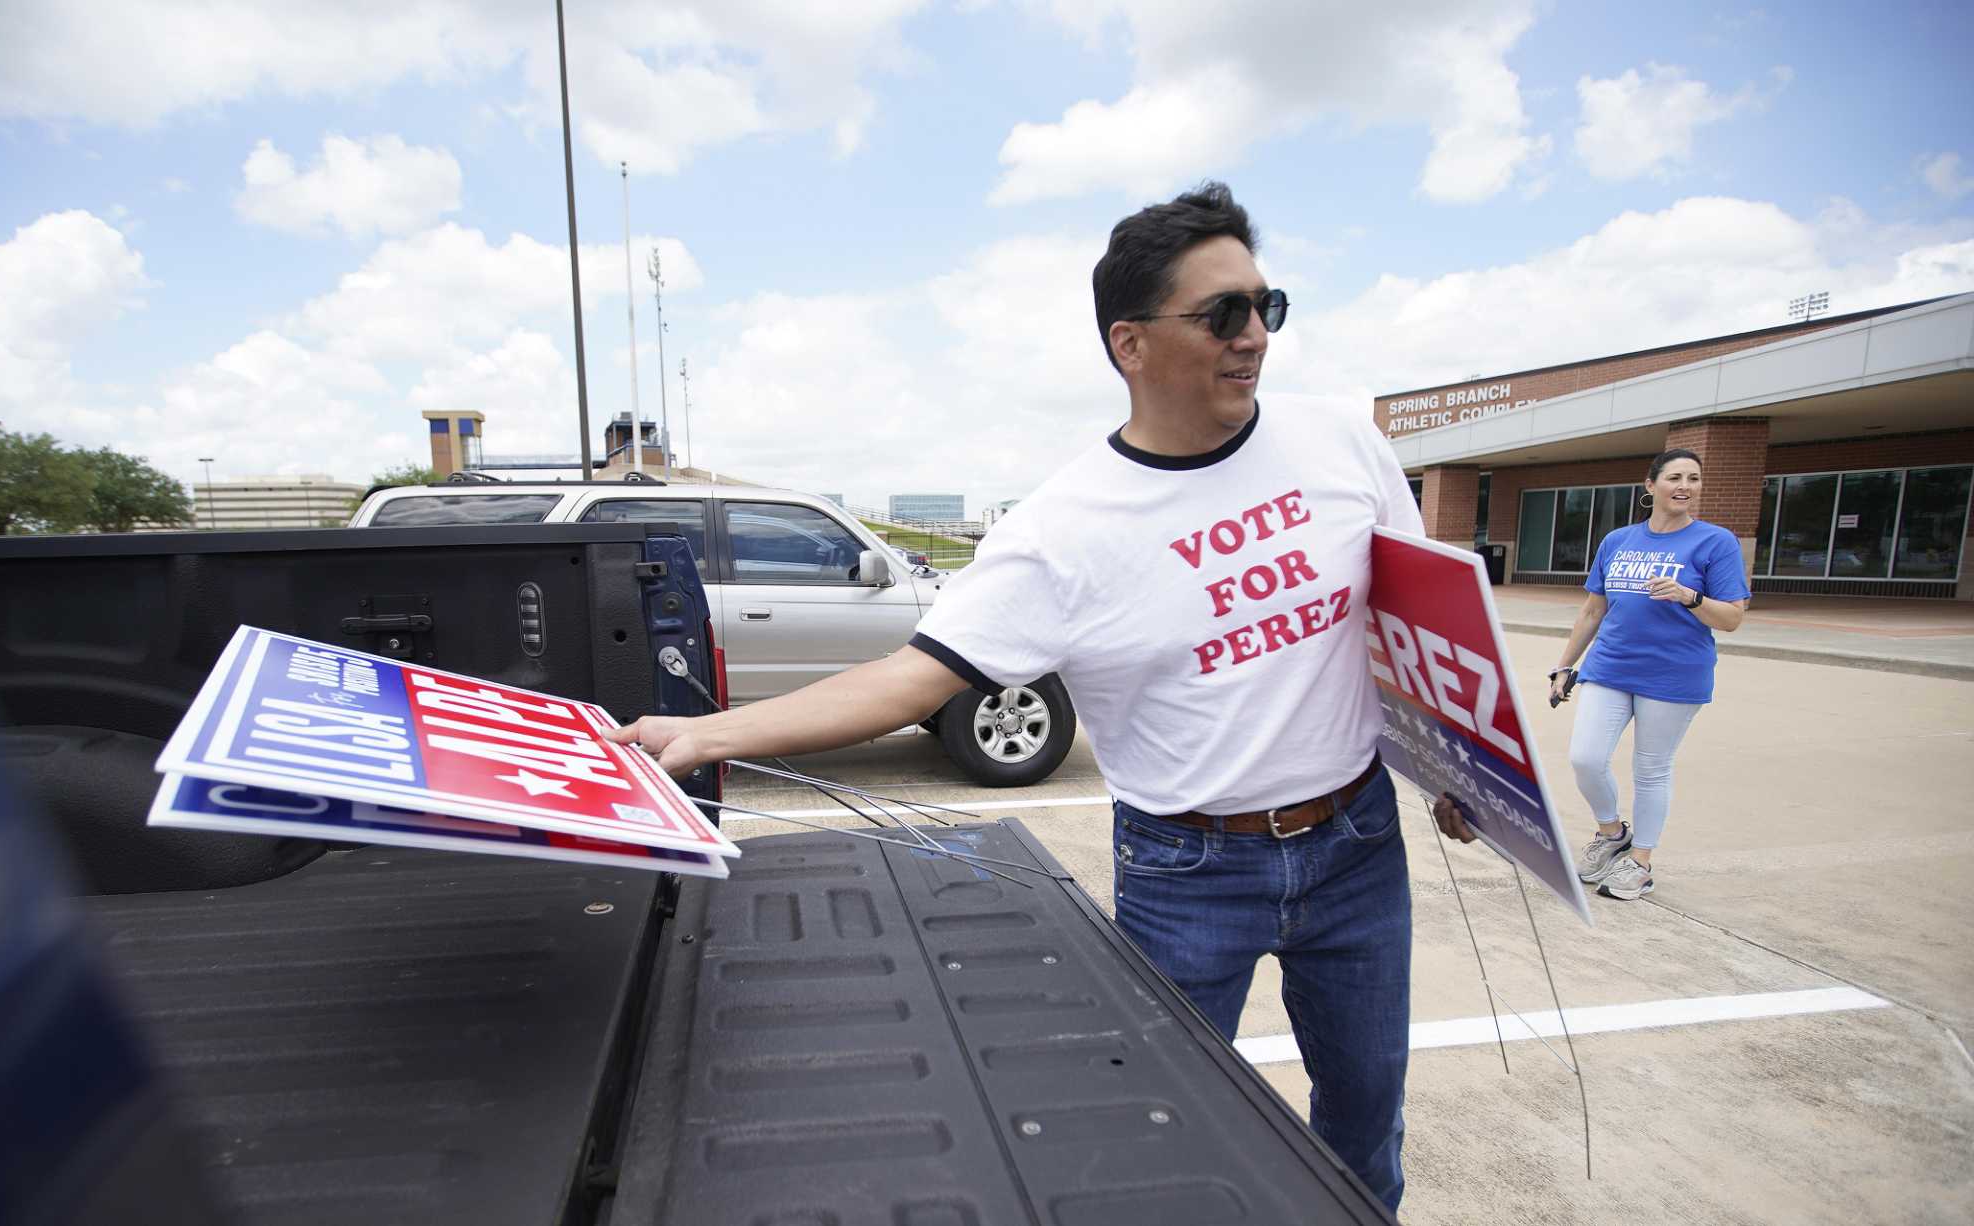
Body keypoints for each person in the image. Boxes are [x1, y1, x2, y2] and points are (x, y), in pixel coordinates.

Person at [608, 182, 1470, 1211]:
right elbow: (908, 678)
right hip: (1188, 869)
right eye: (1221, 314)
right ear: (1130, 344)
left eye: (1264, 305)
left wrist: (1457, 765)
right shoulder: (1065, 527)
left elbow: (1414, 625)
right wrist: (705, 731)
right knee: (1158, 1129)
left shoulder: (1343, 444)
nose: (1253, 337)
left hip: (1355, 846)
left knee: (1364, 1120)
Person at [1550, 448, 1750, 901]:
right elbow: (1592, 609)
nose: (1685, 486)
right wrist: (1565, 665)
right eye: (1675, 477)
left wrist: (1689, 597)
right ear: (1651, 485)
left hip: (1674, 674)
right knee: (1585, 757)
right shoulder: (1618, 541)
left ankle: (1639, 863)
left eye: (1694, 479)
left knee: (1651, 769)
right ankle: (1611, 832)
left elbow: (1732, 619)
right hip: (1610, 666)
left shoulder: (1716, 543)